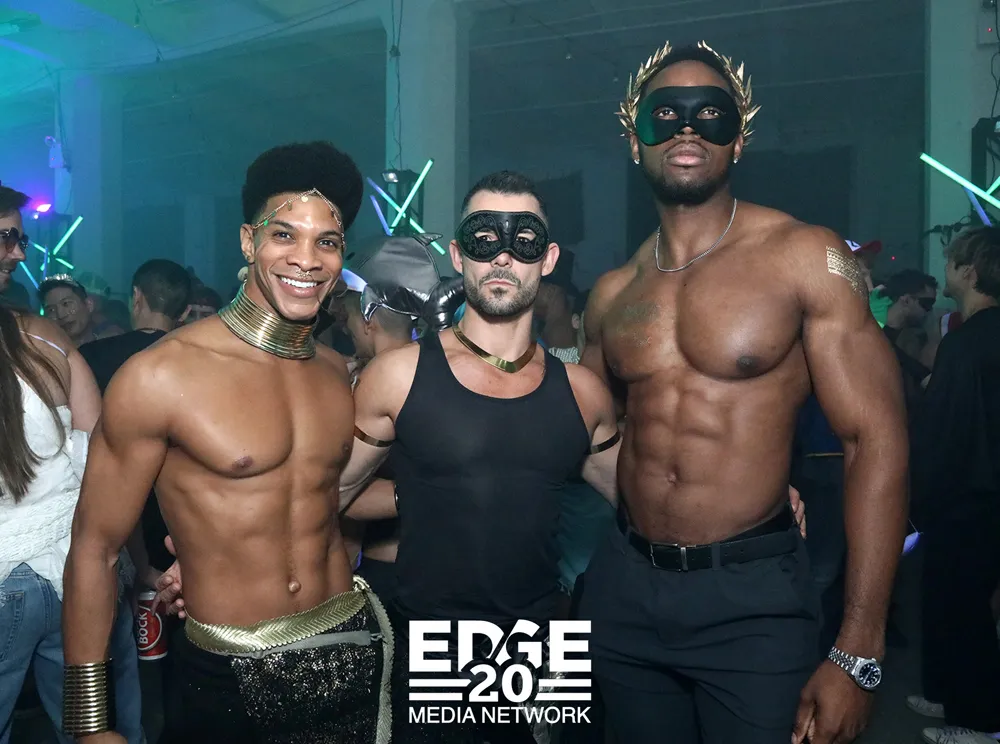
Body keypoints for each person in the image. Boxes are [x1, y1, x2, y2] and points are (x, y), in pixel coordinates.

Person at [577, 41, 908, 744]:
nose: (687, 128)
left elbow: (874, 439)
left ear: (740, 137)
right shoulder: (611, 294)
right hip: (626, 590)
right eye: (665, 113)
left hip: (750, 599)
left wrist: (860, 649)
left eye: (711, 113)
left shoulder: (806, 255)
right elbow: (596, 434)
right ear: (634, 139)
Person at [61, 142, 393, 744]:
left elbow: (316, 501)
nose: (306, 259)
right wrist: (90, 724)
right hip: (229, 669)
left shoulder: (334, 372)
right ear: (247, 241)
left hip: (349, 643)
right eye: (284, 235)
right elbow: (94, 547)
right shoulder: (161, 375)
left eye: (326, 242)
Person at [0, 184, 143, 743]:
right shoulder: (45, 339)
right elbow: (104, 459)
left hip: (39, 573)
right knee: (96, 729)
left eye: (20, 238)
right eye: (7, 238)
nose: (19, 252)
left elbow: (109, 460)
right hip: (78, 572)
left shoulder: (41, 334)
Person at [907, 227, 1000, 744]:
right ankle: (949, 695)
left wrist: (918, 497)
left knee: (962, 606)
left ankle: (979, 723)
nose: (944, 269)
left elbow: (945, 429)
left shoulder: (965, 342)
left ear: (970, 271)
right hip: (983, 493)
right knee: (951, 600)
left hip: (966, 495)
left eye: (950, 261)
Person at [38, 275, 121, 348]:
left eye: (66, 304)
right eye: (51, 310)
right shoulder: (46, 356)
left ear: (89, 305)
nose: (60, 315)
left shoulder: (111, 345)